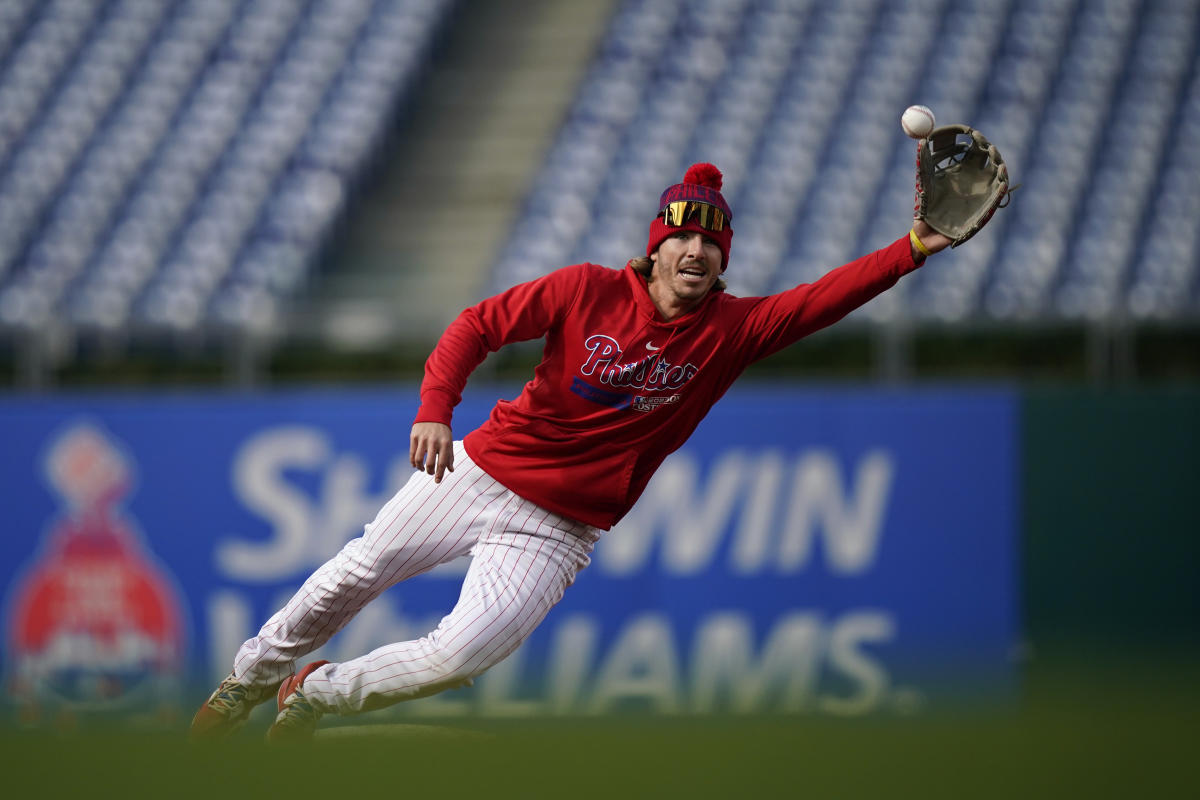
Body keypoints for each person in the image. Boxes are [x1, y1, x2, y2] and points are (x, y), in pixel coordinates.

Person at [189, 162, 954, 741]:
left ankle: (316, 694)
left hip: (559, 529)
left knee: (460, 658)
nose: (695, 249)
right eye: (681, 235)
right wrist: (434, 410)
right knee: (355, 572)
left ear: (724, 258)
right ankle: (248, 679)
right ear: (655, 248)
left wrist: (916, 246)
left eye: (710, 241)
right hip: (480, 470)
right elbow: (475, 326)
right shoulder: (586, 289)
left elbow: (828, 295)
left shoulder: (733, 331)